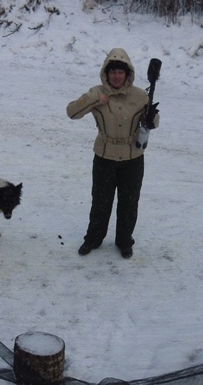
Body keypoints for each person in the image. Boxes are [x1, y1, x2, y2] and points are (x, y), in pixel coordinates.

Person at [66, 48, 159, 259]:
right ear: (106, 73)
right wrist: (94, 100)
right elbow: (71, 112)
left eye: (121, 72)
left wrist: (151, 118)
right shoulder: (96, 93)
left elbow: (153, 122)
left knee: (129, 202)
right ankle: (93, 239)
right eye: (113, 71)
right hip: (104, 158)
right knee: (100, 202)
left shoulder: (140, 96)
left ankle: (124, 241)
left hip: (133, 159)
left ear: (128, 74)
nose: (117, 76)